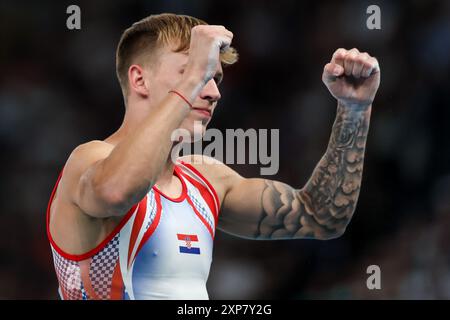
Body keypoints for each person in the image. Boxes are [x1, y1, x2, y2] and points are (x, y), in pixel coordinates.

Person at [46, 13, 380, 300]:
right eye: (196, 73)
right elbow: (118, 192)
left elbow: (321, 217)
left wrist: (354, 109)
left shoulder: (206, 180)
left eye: (215, 78)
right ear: (139, 79)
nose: (213, 91)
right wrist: (193, 77)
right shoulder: (88, 159)